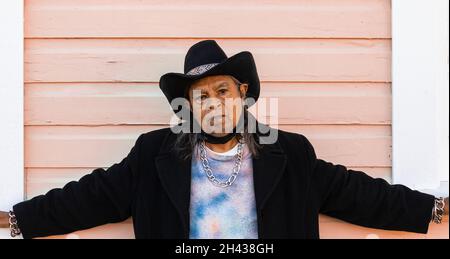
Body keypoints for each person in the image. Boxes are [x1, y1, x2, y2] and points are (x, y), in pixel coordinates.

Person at [0, 40, 448, 239]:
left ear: (243, 95)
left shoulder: (289, 154)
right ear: (189, 107)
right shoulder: (155, 155)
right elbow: (90, 196)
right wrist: (15, 220)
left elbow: (357, 193)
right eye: (201, 96)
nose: (213, 104)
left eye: (223, 91)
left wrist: (434, 208)